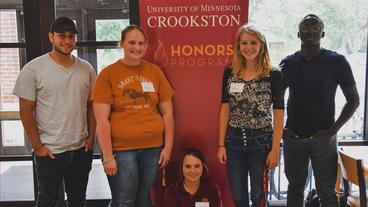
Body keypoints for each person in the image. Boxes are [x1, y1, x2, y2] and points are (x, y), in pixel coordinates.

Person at [12, 16, 96, 207]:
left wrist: (91, 137)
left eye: (71, 36)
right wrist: (38, 146)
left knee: (78, 200)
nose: (67, 41)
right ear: (51, 37)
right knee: (46, 200)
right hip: (50, 151)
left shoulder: (86, 69)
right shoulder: (33, 69)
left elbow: (92, 105)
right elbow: (25, 110)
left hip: (80, 149)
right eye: (61, 36)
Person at [280, 14, 360, 207]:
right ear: (298, 33)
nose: (310, 31)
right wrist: (280, 129)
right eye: (305, 27)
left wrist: (333, 130)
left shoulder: (337, 61)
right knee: (294, 189)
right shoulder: (287, 63)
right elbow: (273, 101)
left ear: (323, 33)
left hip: (323, 139)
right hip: (293, 138)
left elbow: (354, 100)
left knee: (327, 192)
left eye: (315, 27)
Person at [92, 25, 174, 207]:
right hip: (122, 151)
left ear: (146, 46)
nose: (136, 47)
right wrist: (107, 157)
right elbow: (101, 120)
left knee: (143, 199)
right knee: (124, 201)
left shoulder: (155, 72)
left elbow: (168, 113)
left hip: (153, 149)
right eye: (131, 42)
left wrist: (168, 147)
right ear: (121, 43)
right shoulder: (108, 75)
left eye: (141, 43)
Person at [217, 24, 285, 207]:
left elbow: (278, 114)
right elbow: (225, 109)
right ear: (238, 46)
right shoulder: (230, 72)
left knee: (258, 196)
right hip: (234, 141)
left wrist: (275, 149)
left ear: (262, 44)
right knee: (238, 196)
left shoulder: (274, 74)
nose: (249, 47)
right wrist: (221, 144)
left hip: (261, 142)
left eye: (253, 42)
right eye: (244, 43)